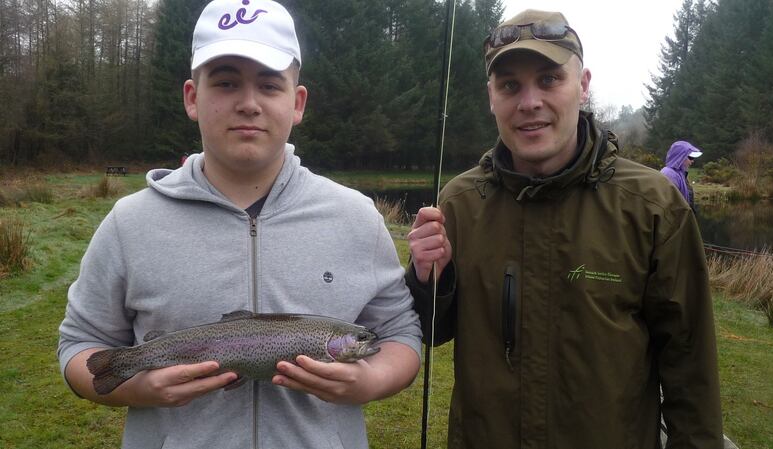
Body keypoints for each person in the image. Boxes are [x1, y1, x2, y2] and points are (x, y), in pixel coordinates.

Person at [57, 1, 421, 448]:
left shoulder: (356, 217)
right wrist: (140, 387)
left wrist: (370, 382)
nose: (248, 104)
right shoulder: (129, 224)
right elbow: (80, 346)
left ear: (298, 102)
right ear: (193, 97)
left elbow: (401, 333)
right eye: (226, 83)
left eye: (269, 85)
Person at [406, 9, 723, 449]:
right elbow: (432, 332)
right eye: (510, 85)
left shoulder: (654, 207)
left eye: (550, 79)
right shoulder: (459, 203)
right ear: (491, 97)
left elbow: (692, 369)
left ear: (584, 84)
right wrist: (426, 281)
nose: (529, 101)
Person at [661, 140, 703, 210]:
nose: (692, 161)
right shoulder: (669, 174)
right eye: (690, 157)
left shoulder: (680, 174)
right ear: (680, 157)